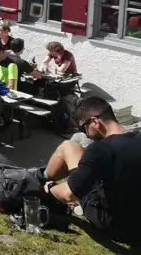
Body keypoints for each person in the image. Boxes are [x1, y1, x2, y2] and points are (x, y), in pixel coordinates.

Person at [42, 96, 141, 246]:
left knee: (69, 146)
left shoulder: (100, 149)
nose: (86, 134)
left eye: (83, 128)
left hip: (114, 225)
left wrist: (50, 188)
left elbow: (69, 195)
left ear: (95, 121)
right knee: (73, 148)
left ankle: (42, 178)